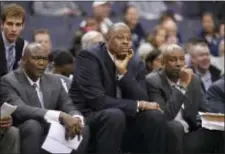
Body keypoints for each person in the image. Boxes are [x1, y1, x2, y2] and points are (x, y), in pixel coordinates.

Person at [69, 22, 167, 154]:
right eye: (120, 38)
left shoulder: (135, 62)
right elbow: (97, 101)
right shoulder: (90, 57)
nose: (126, 42)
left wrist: (123, 74)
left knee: (154, 116)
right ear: (107, 38)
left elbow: (142, 97)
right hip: (91, 114)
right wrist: (139, 104)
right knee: (115, 114)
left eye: (129, 39)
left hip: (123, 114)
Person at [0, 42, 89, 154]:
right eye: (36, 58)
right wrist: (60, 116)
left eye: (44, 58)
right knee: (33, 125)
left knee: (81, 127)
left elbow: (68, 105)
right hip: (29, 129)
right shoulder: (8, 81)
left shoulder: (55, 81)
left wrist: (76, 118)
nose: (41, 63)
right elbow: (20, 109)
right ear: (24, 60)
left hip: (54, 129)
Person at [146, 44, 224, 154]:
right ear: (163, 63)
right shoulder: (153, 81)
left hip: (190, 133)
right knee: (175, 127)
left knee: (220, 128)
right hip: (168, 137)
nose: (178, 64)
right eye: (173, 60)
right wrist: (182, 86)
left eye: (181, 59)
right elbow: (165, 117)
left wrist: (215, 121)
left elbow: (205, 109)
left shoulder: (194, 79)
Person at [0, 3, 27, 77]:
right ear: (2, 24)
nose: (14, 29)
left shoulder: (20, 43)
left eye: (18, 25)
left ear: (23, 26)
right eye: (9, 24)